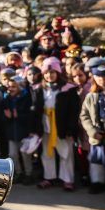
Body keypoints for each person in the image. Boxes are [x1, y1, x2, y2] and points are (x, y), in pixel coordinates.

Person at [34, 56, 80, 191]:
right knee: (47, 153)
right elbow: (35, 110)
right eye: (47, 73)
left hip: (62, 126)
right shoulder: (39, 88)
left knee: (65, 152)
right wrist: (36, 128)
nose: (49, 75)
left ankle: (68, 180)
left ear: (58, 73)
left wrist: (71, 129)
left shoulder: (68, 89)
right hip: (46, 125)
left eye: (52, 72)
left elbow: (73, 111)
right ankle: (49, 177)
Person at [80, 58, 105, 194]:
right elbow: (84, 116)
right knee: (96, 161)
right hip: (98, 134)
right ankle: (97, 183)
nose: (102, 80)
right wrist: (92, 131)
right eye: (98, 77)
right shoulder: (92, 95)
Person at [2, 77, 36, 184]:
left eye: (13, 87)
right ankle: (18, 172)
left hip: (24, 131)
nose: (10, 89)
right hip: (12, 131)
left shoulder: (26, 98)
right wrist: (8, 117)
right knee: (12, 154)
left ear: (20, 87)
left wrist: (18, 116)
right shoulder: (6, 98)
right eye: (9, 87)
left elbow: (30, 116)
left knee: (25, 154)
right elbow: (3, 115)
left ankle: (28, 174)